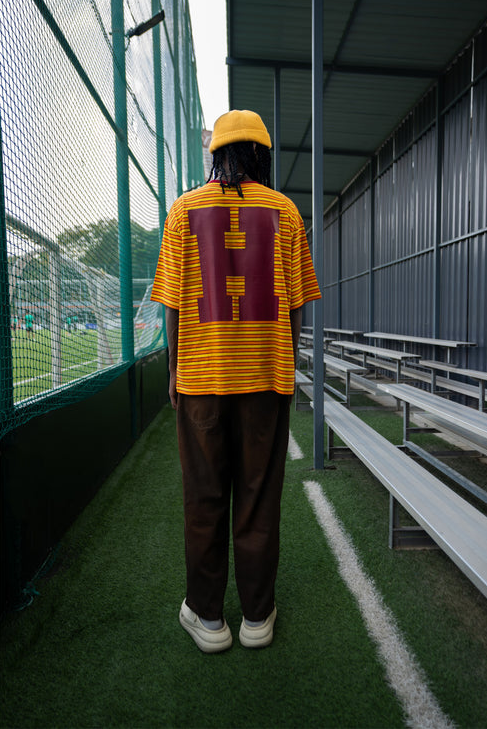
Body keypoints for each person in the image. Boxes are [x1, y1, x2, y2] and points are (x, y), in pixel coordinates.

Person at [151, 110, 321, 653]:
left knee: (203, 499)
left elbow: (174, 307)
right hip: (266, 380)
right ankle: (256, 617)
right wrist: (286, 365)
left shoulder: (182, 210)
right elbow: (295, 308)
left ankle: (208, 618)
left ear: (216, 154)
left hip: (202, 379)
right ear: (261, 154)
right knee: (258, 497)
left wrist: (177, 370)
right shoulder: (286, 212)